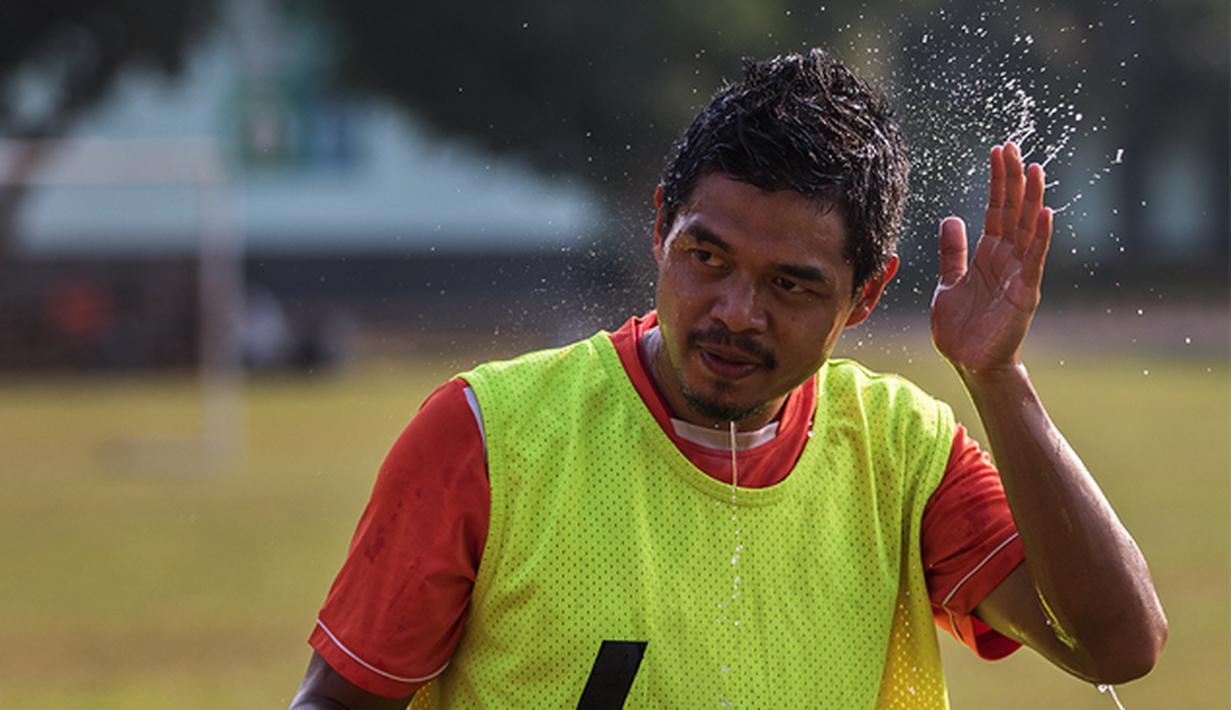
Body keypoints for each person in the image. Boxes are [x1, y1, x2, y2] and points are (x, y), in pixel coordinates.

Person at [291, 49, 1166, 709]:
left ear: (865, 297)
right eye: (705, 257)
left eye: (791, 284)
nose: (735, 312)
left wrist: (997, 377)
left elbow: (1115, 647)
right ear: (660, 228)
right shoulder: (487, 436)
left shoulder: (904, 456)